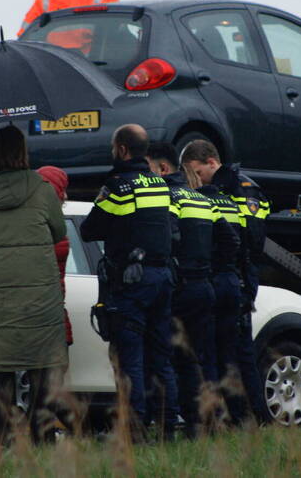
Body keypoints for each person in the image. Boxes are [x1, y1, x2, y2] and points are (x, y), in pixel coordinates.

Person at [0, 125, 68, 442]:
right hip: (40, 291)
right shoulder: (42, 189)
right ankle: (42, 435)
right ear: (23, 152)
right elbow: (58, 231)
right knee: (43, 363)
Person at [80, 124, 179, 438]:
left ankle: (133, 428)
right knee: (161, 357)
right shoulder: (161, 185)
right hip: (163, 278)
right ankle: (167, 426)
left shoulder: (120, 185)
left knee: (129, 357)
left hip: (132, 283)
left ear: (122, 149)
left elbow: (90, 229)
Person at [146, 142, 238, 435]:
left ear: (162, 168)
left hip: (180, 287)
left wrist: (175, 267)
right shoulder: (201, 199)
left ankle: (174, 423)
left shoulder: (168, 196)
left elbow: (168, 237)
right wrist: (207, 267)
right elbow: (231, 240)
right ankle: (207, 420)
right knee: (200, 358)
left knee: (171, 359)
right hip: (203, 287)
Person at [181, 139, 272, 425]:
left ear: (211, 162)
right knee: (227, 350)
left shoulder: (242, 188)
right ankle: (239, 416)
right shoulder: (219, 188)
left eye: (198, 172)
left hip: (238, 275)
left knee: (240, 351)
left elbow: (252, 239)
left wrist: (239, 276)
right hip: (230, 275)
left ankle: (255, 415)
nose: (196, 179)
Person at [36, 166, 73, 346]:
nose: (66, 196)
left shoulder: (23, 223)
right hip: (49, 313)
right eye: (62, 190)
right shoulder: (54, 228)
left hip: (41, 313)